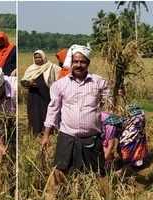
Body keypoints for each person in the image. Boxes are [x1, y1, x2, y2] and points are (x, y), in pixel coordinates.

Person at [41, 43, 110, 177]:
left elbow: (110, 105)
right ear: (71, 62)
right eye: (76, 61)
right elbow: (53, 110)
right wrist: (46, 135)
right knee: (59, 172)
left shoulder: (99, 83)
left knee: (98, 174)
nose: (79, 65)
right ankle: (54, 198)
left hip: (92, 139)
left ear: (88, 63)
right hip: (67, 137)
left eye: (83, 62)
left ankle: (104, 198)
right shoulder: (60, 84)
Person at [21, 50, 60, 135]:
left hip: (46, 94)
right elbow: (24, 81)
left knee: (46, 111)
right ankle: (35, 132)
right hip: (33, 95)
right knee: (34, 112)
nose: (38, 59)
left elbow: (61, 73)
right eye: (36, 58)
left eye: (39, 57)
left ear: (43, 57)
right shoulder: (31, 68)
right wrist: (28, 83)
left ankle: (48, 132)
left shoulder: (50, 66)